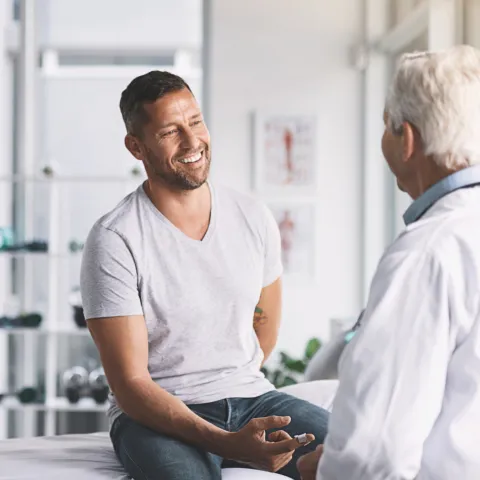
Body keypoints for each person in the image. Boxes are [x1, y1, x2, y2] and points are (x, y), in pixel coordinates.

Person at [80, 70, 329, 480]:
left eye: (195, 122)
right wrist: (225, 441)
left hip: (253, 399)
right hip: (155, 416)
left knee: (360, 456)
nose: (192, 141)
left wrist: (233, 402)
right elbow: (130, 383)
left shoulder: (252, 216)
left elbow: (263, 330)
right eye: (170, 132)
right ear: (135, 146)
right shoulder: (114, 238)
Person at [297, 44, 480, 480]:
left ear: (408, 139)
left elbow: (373, 452)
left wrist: (321, 469)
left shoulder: (427, 251)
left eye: (386, 125)